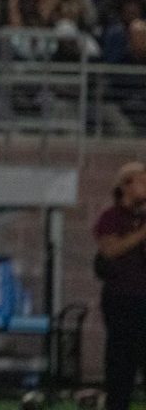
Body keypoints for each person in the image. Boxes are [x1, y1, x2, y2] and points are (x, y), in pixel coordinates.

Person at [93, 162, 146, 410]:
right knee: (121, 365)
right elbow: (110, 250)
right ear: (126, 185)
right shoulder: (111, 218)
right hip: (123, 298)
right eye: (142, 181)